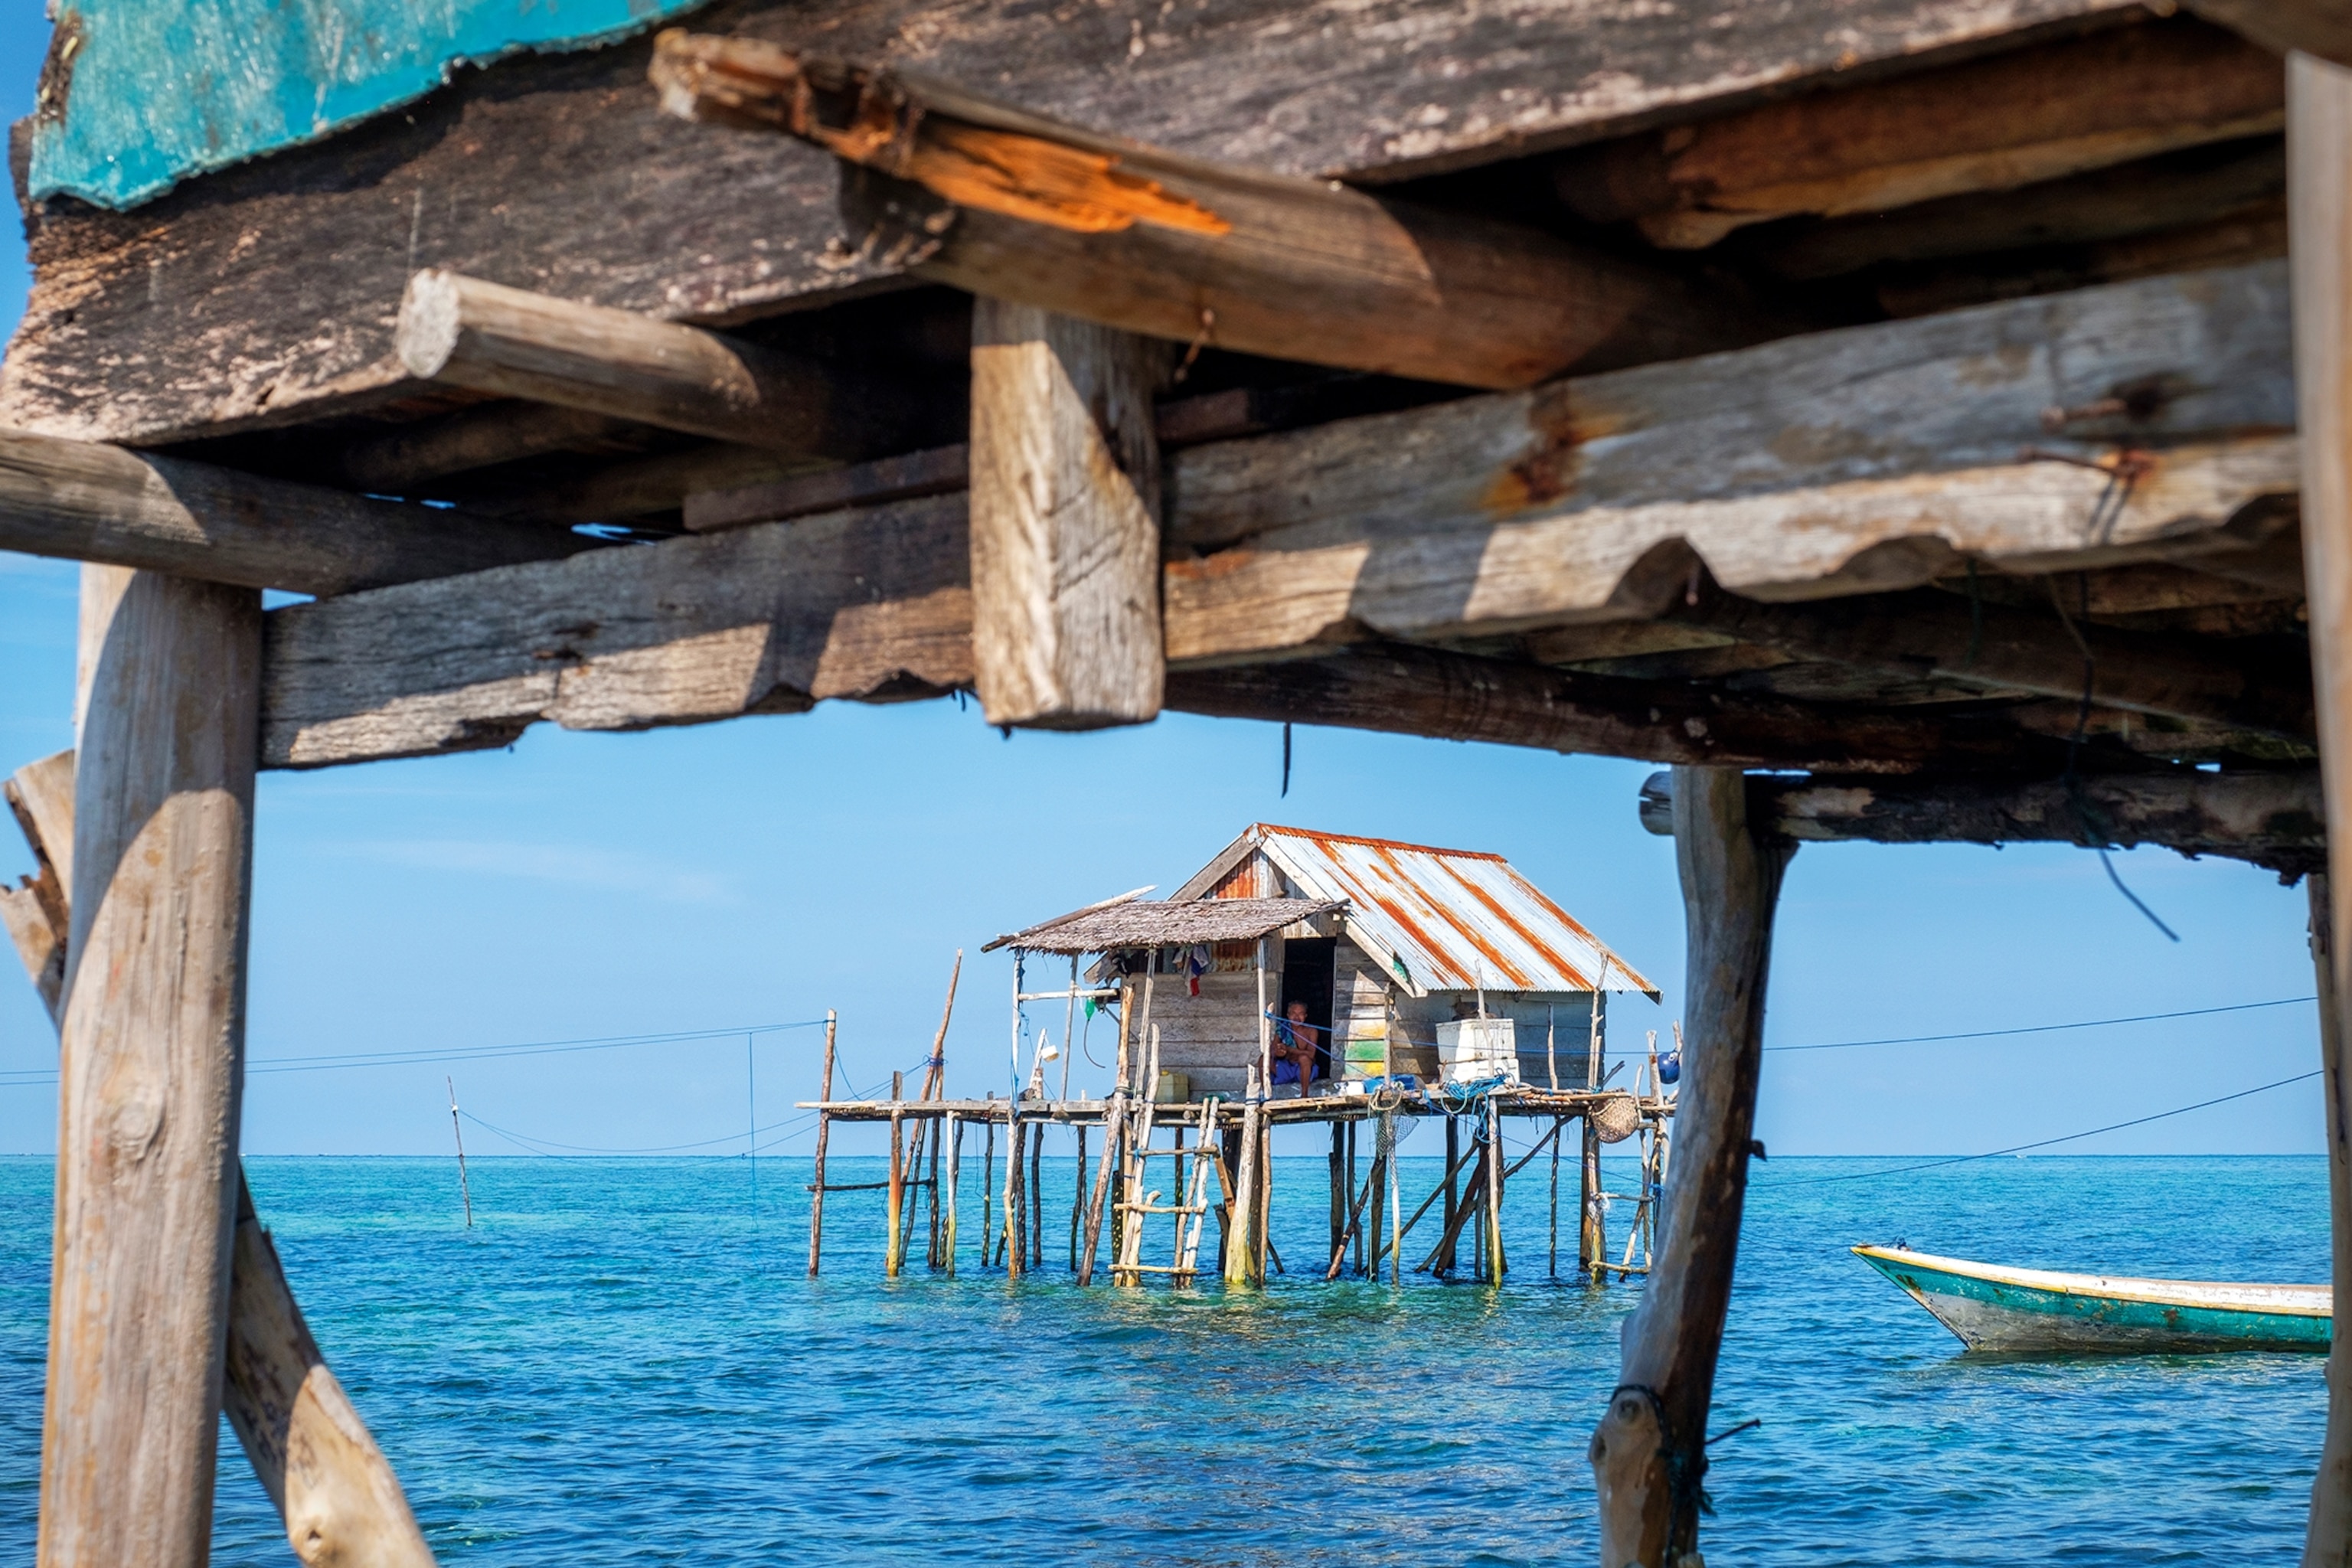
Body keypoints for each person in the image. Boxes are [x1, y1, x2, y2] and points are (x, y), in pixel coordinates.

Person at [1270, 1000, 1321, 1093]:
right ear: (1288, 1015)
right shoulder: (1282, 1029)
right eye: (1293, 1014)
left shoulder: (1311, 1031)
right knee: (1263, 1060)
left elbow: (1311, 1054)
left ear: (1305, 1016)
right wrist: (1279, 1052)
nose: (1296, 1017)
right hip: (1286, 1069)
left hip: (1304, 1071)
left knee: (1304, 1058)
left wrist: (1288, 1049)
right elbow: (1273, 1050)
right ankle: (1264, 1091)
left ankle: (1304, 1094)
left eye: (1300, 1014)